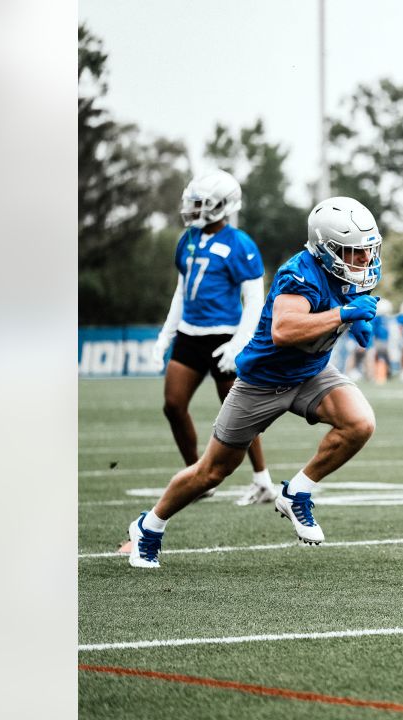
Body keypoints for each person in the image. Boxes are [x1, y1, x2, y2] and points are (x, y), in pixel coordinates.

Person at [124, 197, 384, 569]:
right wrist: (342, 313)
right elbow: (283, 329)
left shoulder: (345, 272)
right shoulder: (299, 274)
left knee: (360, 423)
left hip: (310, 372)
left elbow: (345, 302)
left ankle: (297, 492)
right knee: (211, 471)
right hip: (262, 382)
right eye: (353, 252)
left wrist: (354, 318)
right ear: (326, 249)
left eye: (367, 251)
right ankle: (149, 526)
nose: (364, 260)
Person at [150, 169, 275, 506]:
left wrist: (238, 344)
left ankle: (262, 479)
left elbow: (254, 302)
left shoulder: (240, 244)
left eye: (200, 202)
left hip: (225, 337)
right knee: (173, 405)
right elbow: (181, 292)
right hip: (190, 334)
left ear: (222, 205)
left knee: (239, 415)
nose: (191, 207)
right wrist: (166, 335)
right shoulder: (188, 240)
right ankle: (197, 476)